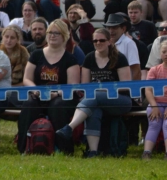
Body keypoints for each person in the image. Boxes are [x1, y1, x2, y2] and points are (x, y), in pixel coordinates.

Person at [55, 28, 132, 157]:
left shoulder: (120, 58)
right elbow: (86, 87)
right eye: (95, 40)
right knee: (94, 109)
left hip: (121, 100)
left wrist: (102, 90)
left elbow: (126, 86)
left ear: (109, 41)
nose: (98, 43)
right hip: (95, 100)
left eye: (102, 40)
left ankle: (69, 127)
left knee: (95, 96)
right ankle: (93, 151)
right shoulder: (89, 58)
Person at [18, 19, 81, 154]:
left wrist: (56, 93)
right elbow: (27, 79)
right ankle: (24, 147)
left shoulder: (70, 59)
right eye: (50, 32)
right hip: (38, 94)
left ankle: (63, 148)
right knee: (29, 103)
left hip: (63, 96)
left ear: (64, 36)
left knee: (57, 105)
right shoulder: (36, 54)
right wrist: (35, 90)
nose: (52, 35)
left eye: (56, 33)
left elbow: (72, 86)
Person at [103, 13, 141, 80]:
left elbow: (136, 69)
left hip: (125, 86)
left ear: (123, 29)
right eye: (109, 28)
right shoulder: (105, 43)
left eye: (114, 27)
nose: (111, 31)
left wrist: (133, 88)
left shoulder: (129, 43)